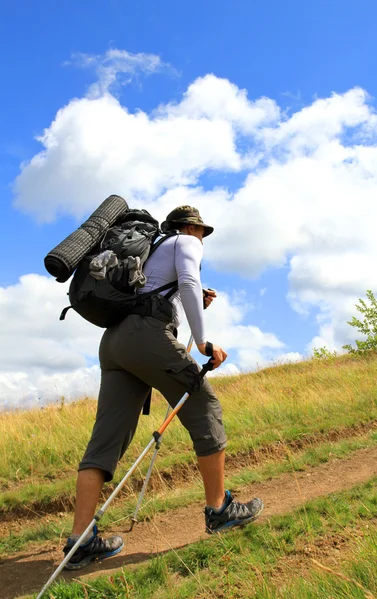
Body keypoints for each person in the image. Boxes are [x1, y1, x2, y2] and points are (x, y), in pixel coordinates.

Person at [63, 206, 264, 570]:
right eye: (201, 231)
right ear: (191, 227)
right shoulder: (186, 242)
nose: (201, 239)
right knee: (205, 408)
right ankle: (219, 509)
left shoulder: (151, 251)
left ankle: (80, 541)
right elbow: (187, 282)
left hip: (115, 342)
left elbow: (166, 294)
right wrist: (203, 342)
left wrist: (188, 305)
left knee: (105, 441)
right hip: (145, 337)